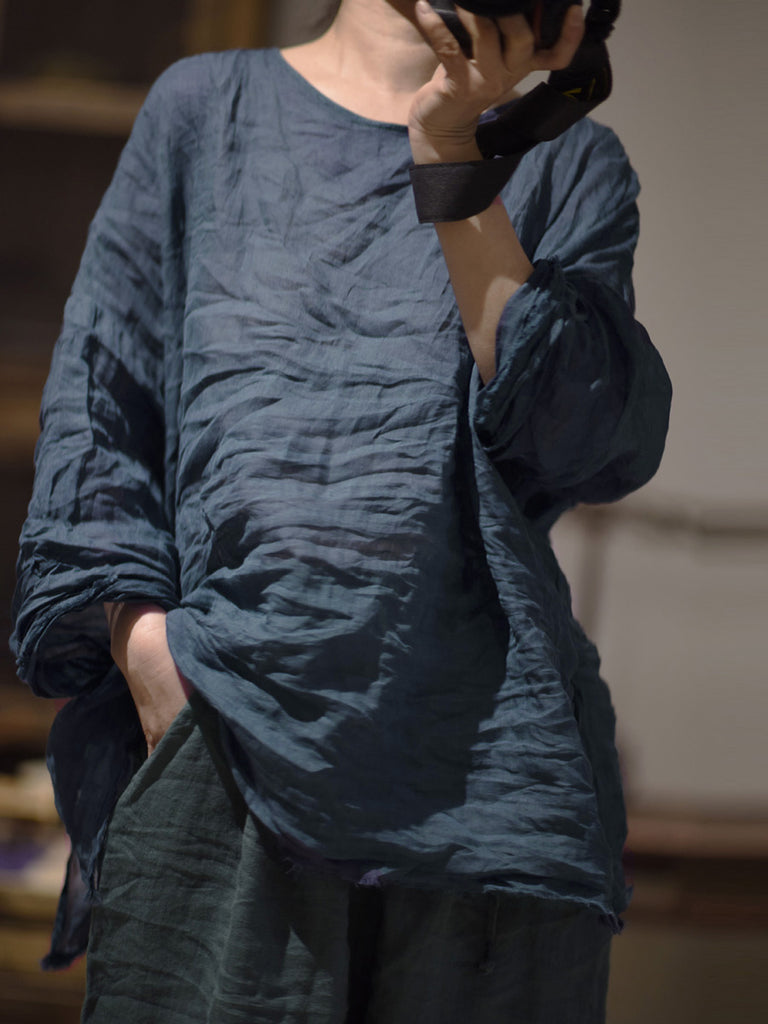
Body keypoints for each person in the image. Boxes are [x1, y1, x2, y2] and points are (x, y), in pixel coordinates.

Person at [10, 1, 672, 1021]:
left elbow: (586, 438)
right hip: (221, 747)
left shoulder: (573, 162)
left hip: (488, 789)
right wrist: (151, 659)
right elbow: (100, 413)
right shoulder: (206, 110)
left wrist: (456, 160)